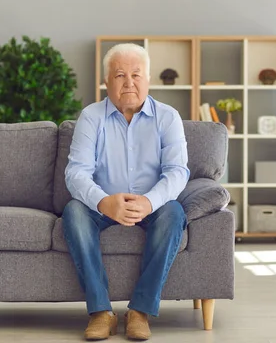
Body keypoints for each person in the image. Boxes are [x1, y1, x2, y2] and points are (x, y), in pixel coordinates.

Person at [62, 43, 190, 341]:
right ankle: (101, 312)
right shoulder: (91, 117)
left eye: (136, 74)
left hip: (152, 206)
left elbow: (177, 172)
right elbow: (76, 172)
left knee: (174, 212)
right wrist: (103, 201)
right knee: (74, 211)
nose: (129, 82)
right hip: (104, 205)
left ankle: (140, 311)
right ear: (107, 81)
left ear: (148, 79)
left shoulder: (168, 117)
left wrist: (149, 201)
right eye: (120, 75)